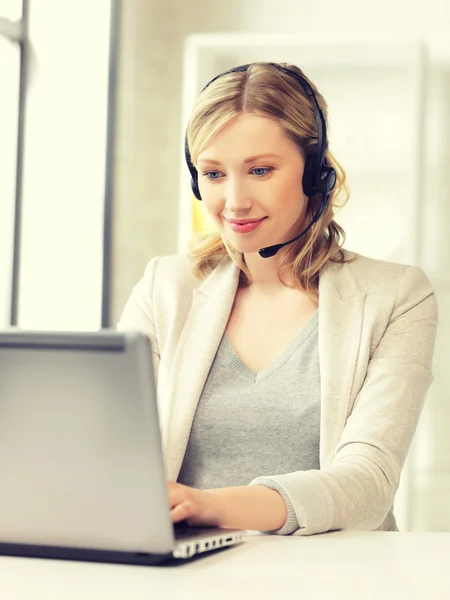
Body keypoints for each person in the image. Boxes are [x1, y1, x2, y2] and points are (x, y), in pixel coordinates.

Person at [117, 62, 438, 536]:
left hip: (333, 578)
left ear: (315, 174)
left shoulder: (396, 297)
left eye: (260, 170)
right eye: (213, 173)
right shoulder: (166, 287)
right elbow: (115, 449)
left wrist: (207, 505)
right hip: (185, 575)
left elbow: (368, 485)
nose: (234, 201)